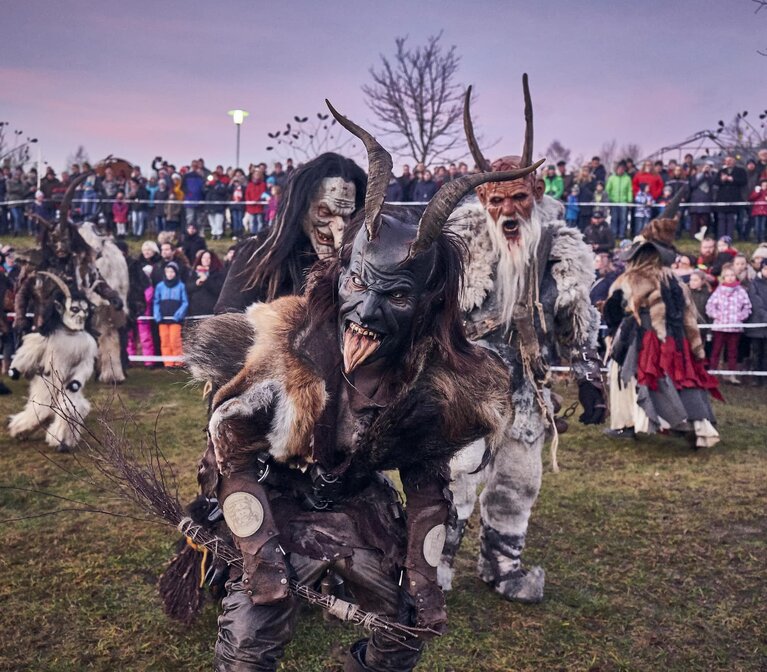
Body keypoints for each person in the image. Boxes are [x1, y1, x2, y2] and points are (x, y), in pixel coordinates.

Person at [182, 104, 536, 672]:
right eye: (358, 286)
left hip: (353, 501)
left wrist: (423, 580)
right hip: (273, 494)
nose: (366, 313)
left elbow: (427, 487)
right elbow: (231, 452)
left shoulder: (429, 380)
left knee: (402, 628)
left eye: (393, 297)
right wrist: (260, 552)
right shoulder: (284, 337)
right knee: (254, 633)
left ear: (422, 305)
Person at [440, 78, 605, 603]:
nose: (507, 211)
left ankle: (502, 566)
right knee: (459, 478)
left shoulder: (560, 246)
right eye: (494, 199)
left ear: (535, 194)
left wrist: (586, 367)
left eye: (517, 197)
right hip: (468, 382)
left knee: (519, 479)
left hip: (527, 389)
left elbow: (576, 321)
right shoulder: (458, 248)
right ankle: (430, 573)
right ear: (481, 199)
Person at [603, 195, 721, 446]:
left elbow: (614, 311)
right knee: (681, 378)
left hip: (641, 339)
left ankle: (629, 425)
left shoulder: (631, 279)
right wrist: (693, 347)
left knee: (626, 377)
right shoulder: (675, 281)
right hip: (676, 342)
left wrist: (613, 327)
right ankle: (698, 427)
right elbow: (689, 318)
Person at [214, 152, 367, 313]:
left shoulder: (358, 262)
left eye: (346, 215)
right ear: (302, 209)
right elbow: (227, 316)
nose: (339, 226)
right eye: (325, 212)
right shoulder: (259, 254)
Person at [706, 263, 752, 384]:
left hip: (735, 327)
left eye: (732, 275)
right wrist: (718, 316)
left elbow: (747, 307)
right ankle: (712, 373)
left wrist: (740, 317)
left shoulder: (741, 291)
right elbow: (710, 306)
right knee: (716, 351)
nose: (730, 277)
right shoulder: (718, 291)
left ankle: (731, 375)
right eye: (727, 275)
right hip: (720, 326)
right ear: (723, 277)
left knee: (733, 352)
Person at [153, 261, 188, 368]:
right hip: (163, 319)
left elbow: (185, 302)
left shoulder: (181, 286)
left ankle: (178, 362)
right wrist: (157, 315)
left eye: (172, 271)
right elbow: (156, 301)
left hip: (175, 319)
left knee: (175, 340)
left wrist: (179, 314)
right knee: (165, 340)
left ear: (176, 273)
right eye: (167, 271)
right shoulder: (160, 286)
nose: (170, 274)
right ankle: (168, 363)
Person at [716, 156, 747, 240]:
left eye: (730, 160)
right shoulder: (721, 171)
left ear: (734, 161)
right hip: (722, 198)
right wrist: (722, 180)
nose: (728, 162)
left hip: (734, 198)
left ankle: (729, 237)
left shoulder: (740, 171)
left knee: (731, 219)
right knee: (721, 218)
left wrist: (732, 179)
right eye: (726, 160)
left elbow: (744, 181)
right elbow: (715, 182)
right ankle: (721, 237)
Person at [186, 249, 225, 317]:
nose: (206, 260)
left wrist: (206, 280)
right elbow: (187, 288)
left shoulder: (218, 273)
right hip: (195, 309)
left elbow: (218, 290)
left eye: (208, 258)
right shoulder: (193, 273)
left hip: (211, 310)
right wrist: (196, 284)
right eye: (204, 257)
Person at [747, 260, 767, 383]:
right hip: (757, 325)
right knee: (756, 351)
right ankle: (756, 377)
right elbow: (756, 303)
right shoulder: (753, 284)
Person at [606, 161, 633, 238]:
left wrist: (630, 200)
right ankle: (614, 234)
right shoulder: (612, 178)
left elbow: (629, 190)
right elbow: (608, 190)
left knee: (623, 219)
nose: (621, 170)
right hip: (614, 202)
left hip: (623, 202)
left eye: (622, 169)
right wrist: (609, 199)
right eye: (619, 168)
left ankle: (621, 235)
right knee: (614, 219)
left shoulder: (627, 178)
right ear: (616, 169)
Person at [689, 162, 715, 238]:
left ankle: (703, 235)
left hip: (706, 200)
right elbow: (693, 185)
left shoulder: (711, 177)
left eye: (708, 167)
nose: (706, 168)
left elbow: (712, 183)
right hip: (696, 200)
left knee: (706, 220)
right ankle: (694, 235)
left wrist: (708, 175)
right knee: (695, 220)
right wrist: (703, 175)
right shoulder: (694, 177)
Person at [244, 167, 269, 235]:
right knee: (252, 222)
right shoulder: (250, 185)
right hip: (251, 207)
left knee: (259, 222)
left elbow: (263, 194)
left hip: (259, 207)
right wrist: (250, 201)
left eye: (258, 175)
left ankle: (259, 235)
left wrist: (256, 200)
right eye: (255, 175)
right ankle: (253, 234)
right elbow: (247, 194)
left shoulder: (263, 184)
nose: (256, 176)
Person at [204, 174, 228, 240]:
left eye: (215, 177)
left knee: (219, 221)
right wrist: (207, 186)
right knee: (212, 221)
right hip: (209, 206)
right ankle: (214, 233)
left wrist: (214, 186)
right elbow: (203, 192)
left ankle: (219, 234)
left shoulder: (220, 184)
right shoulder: (208, 185)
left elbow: (223, 192)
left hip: (218, 206)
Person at [748, 178, 767, 242]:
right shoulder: (757, 191)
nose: (764, 186)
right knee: (756, 226)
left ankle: (762, 238)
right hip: (757, 211)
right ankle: (756, 238)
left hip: (765, 212)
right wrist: (757, 192)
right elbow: (751, 198)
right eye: (763, 185)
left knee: (763, 227)